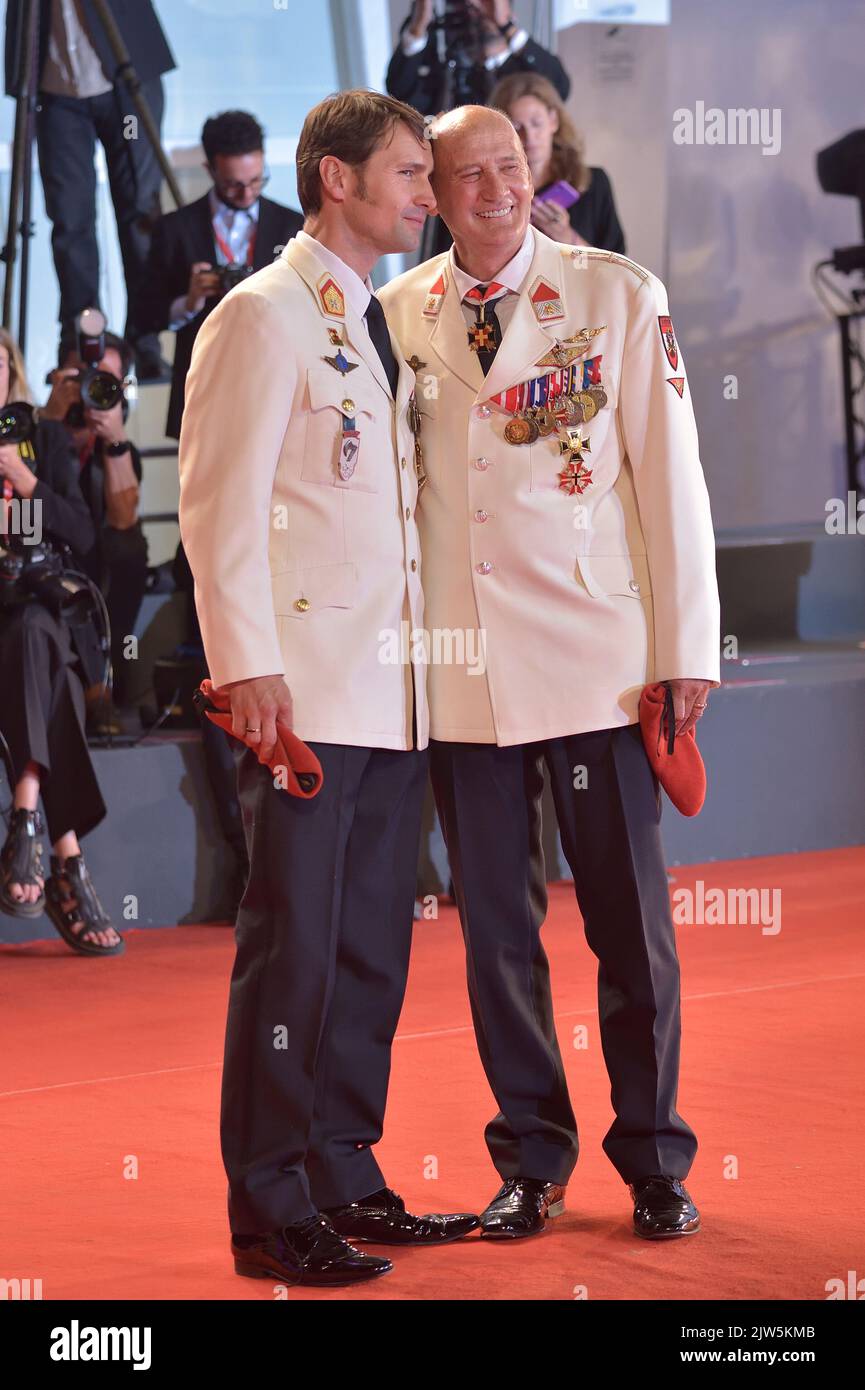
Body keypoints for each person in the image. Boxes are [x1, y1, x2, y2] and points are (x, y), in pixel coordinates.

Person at [379, 105, 720, 1242]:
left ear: (538, 172)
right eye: (465, 175)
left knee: (627, 927)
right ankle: (530, 1156)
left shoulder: (617, 294)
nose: (493, 190)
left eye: (509, 168)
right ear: (428, 190)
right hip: (465, 675)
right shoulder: (398, 313)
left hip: (598, 665)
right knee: (495, 936)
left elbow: (671, 480)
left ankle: (655, 1159)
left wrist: (685, 650)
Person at [178, 89, 478, 1289]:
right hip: (303, 692)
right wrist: (246, 666)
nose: (429, 196)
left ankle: (344, 1169)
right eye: (410, 175)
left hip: (390, 691)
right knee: (292, 952)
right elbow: (217, 507)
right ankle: (268, 1205)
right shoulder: (260, 315)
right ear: (336, 180)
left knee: (368, 951)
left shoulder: (370, 316)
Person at [0, 327, 123, 953]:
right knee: (45, 662)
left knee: (33, 631)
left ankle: (26, 814)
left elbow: (82, 533)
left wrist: (26, 483)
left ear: (11, 373)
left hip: (29, 614)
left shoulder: (40, 442)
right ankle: (65, 859)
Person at [4, 0, 177, 377]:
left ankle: (145, 339)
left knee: (139, 210)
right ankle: (81, 342)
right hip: (54, 92)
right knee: (70, 220)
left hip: (125, 83)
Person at [141, 109, 304, 442]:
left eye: (257, 180)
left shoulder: (293, 225)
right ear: (210, 170)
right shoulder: (175, 229)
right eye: (233, 185)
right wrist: (188, 301)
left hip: (279, 380)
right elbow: (146, 315)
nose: (246, 193)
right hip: (204, 381)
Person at [42, 329, 147, 728]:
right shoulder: (32, 436)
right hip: (42, 546)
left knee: (129, 552)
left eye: (105, 381)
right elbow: (25, 510)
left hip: (98, 563)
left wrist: (114, 440)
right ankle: (91, 690)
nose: (90, 388)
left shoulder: (120, 449)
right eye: (83, 376)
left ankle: (106, 679)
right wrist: (50, 424)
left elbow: (123, 521)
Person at [490, 70, 626, 253]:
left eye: (536, 123)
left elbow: (617, 265)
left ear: (553, 121)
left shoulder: (594, 183)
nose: (529, 137)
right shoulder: (492, 191)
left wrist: (568, 238)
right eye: (517, 127)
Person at [386, 0, 570, 113]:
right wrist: (418, 27)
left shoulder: (525, 70)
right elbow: (400, 93)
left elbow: (559, 88)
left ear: (510, 12)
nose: (475, 10)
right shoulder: (448, 76)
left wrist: (505, 26)